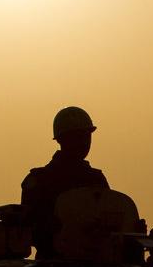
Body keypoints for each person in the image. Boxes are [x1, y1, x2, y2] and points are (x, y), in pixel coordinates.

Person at [21, 106, 110, 258]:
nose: (85, 142)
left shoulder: (96, 179)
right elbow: (28, 227)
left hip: (95, 261)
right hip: (52, 265)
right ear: (62, 140)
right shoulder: (40, 180)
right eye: (78, 137)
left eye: (87, 136)